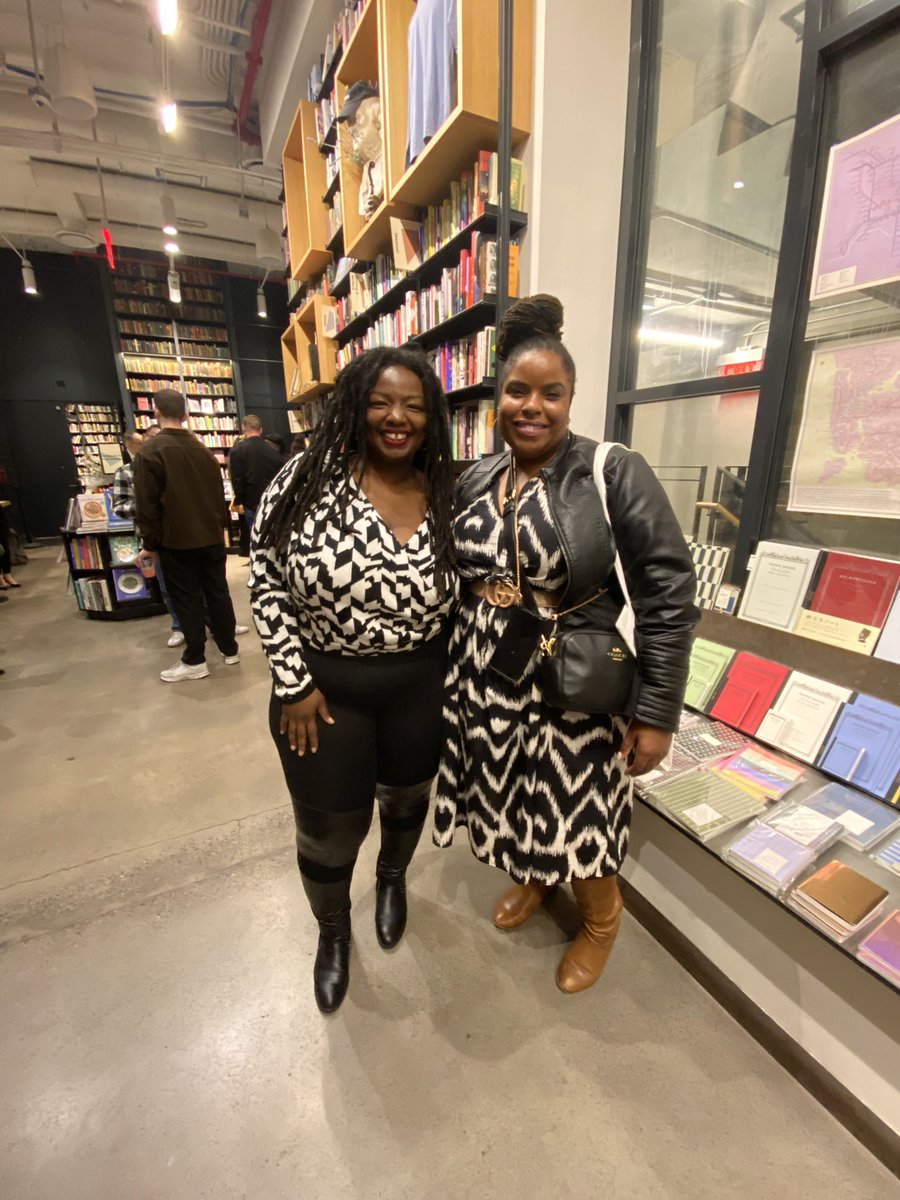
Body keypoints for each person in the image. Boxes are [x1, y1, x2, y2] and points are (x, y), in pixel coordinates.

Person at [433, 295, 699, 994]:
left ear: (571, 399)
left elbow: (668, 592)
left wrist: (658, 710)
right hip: (489, 675)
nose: (533, 406)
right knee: (513, 796)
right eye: (518, 391)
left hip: (571, 682)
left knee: (578, 811)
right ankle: (534, 880)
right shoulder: (478, 478)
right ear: (498, 398)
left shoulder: (611, 471)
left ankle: (601, 920)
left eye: (551, 393)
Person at [251, 346, 455, 1013]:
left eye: (414, 406)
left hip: (419, 685)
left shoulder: (448, 491)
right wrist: (291, 680)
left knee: (404, 801)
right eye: (381, 402)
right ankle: (333, 932)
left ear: (432, 419)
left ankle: (392, 877)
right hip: (323, 691)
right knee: (330, 829)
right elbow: (265, 579)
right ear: (355, 406)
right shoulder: (306, 479)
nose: (397, 418)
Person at [133, 388, 240, 683]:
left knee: (187, 598)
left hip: (176, 540)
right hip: (212, 536)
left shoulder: (150, 452)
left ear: (156, 412)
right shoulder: (204, 450)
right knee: (218, 592)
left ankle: (195, 659)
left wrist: (149, 543)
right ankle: (230, 649)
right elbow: (220, 495)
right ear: (186, 414)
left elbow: (147, 503)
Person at [229, 415, 286, 540]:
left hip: (251, 502)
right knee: (274, 538)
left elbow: (237, 480)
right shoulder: (273, 451)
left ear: (243, 428)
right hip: (273, 502)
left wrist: (241, 500)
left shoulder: (237, 451)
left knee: (256, 539)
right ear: (260, 430)